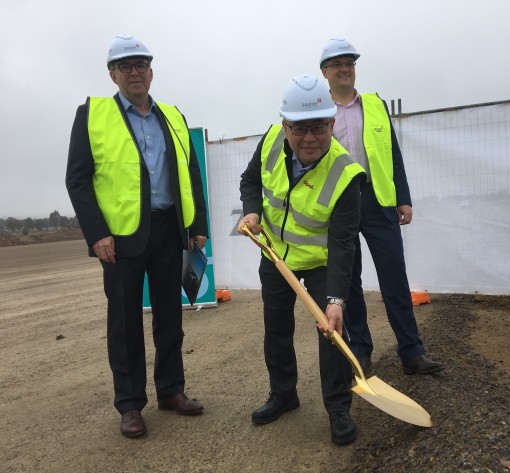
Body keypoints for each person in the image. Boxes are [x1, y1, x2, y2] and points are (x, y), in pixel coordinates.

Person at [66, 34, 209, 438]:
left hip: (167, 230)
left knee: (170, 318)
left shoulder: (173, 117)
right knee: (125, 324)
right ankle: (130, 404)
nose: (135, 72)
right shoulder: (93, 115)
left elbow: (190, 172)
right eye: (126, 66)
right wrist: (97, 234)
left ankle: (171, 391)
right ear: (112, 75)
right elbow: (77, 180)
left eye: (141, 65)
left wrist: (197, 227)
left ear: (151, 71)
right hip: (120, 239)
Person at [238, 75, 366, 445]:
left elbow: (344, 244)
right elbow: (250, 180)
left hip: (323, 262)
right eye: (299, 129)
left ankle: (339, 407)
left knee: (332, 332)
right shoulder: (271, 140)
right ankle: (283, 393)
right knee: (276, 327)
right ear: (285, 126)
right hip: (275, 253)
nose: (309, 138)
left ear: (332, 124)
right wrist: (252, 213)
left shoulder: (346, 175)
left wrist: (337, 300)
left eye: (318, 128)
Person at [319, 38, 446, 376]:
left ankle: (412, 352)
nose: (345, 68)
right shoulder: (319, 111)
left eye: (350, 62)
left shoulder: (375, 105)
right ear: (325, 72)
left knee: (394, 278)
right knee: (349, 284)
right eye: (338, 63)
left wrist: (403, 198)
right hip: (338, 205)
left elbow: (392, 155)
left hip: (378, 201)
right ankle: (361, 351)